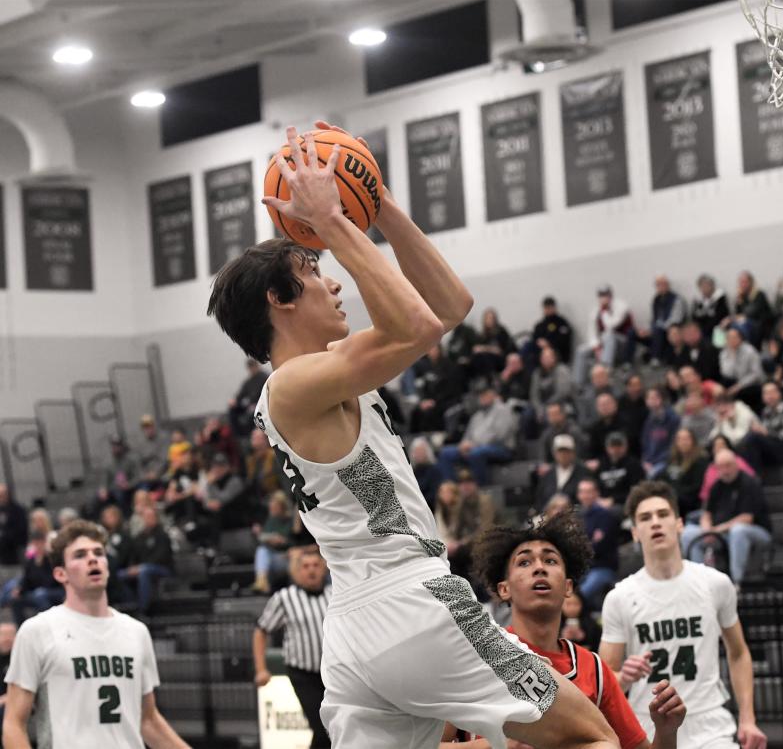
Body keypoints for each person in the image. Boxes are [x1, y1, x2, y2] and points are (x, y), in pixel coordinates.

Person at [211, 123, 619, 749]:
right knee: (593, 738)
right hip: (410, 599)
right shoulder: (289, 386)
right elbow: (417, 328)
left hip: (357, 629)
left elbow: (449, 306)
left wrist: (380, 206)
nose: (336, 281)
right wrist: (336, 222)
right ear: (279, 300)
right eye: (317, 273)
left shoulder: (327, 369)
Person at [441, 510, 686, 749]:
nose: (539, 568)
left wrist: (667, 731)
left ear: (568, 586)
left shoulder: (595, 670)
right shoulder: (475, 657)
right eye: (524, 562)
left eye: (550, 560)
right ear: (503, 589)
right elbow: (422, 743)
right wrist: (500, 745)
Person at [600, 481, 767, 749]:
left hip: (709, 724)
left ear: (678, 524)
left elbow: (738, 653)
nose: (655, 523)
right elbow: (606, 683)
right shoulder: (619, 598)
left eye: (663, 514)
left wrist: (748, 718)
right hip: (647, 725)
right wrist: (624, 678)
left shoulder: (715, 583)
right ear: (634, 533)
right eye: (645, 517)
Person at [2, 520, 188, 749]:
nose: (93, 559)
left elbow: (148, 720)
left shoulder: (136, 632)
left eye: (99, 553)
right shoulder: (37, 631)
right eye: (80, 555)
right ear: (61, 574)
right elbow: (13, 724)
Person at [254, 547, 333, 749]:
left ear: (324, 568)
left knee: (335, 728)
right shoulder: (284, 598)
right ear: (297, 571)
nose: (311, 570)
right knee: (324, 729)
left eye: (316, 565)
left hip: (333, 673)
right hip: (303, 673)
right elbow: (261, 630)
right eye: (306, 566)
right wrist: (261, 669)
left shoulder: (334, 593)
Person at [681, 450, 773, 586]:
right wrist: (707, 530)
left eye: (728, 465)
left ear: (736, 464)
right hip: (721, 534)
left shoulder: (749, 483)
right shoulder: (716, 486)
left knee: (739, 531)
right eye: (720, 467)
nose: (725, 470)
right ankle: (701, 584)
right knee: (689, 533)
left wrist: (716, 531)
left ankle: (737, 582)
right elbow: (706, 514)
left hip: (756, 532)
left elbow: (746, 518)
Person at [437, 382, 517, 485]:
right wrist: (463, 445)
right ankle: (453, 490)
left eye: (485, 394)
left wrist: (474, 445)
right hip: (475, 448)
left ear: (493, 394)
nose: (482, 397)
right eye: (480, 395)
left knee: (476, 453)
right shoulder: (477, 416)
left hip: (502, 448)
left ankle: (481, 490)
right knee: (445, 453)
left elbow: (500, 435)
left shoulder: (503, 409)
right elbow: (467, 435)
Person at [573, 285, 634, 386]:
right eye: (601, 295)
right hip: (605, 344)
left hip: (623, 344)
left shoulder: (621, 306)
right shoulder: (595, 311)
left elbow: (611, 325)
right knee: (581, 350)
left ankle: (606, 368)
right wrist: (596, 347)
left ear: (611, 295)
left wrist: (604, 311)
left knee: (608, 335)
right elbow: (592, 333)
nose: (604, 298)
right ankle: (578, 384)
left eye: (606, 295)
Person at [574, 479, 620, 608]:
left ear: (596, 493)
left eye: (589, 492)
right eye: (583, 492)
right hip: (583, 569)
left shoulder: (605, 515)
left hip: (603, 567)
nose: (586, 495)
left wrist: (582, 546)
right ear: (578, 495)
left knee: (580, 595)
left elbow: (598, 546)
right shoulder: (578, 516)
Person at [118, 506, 173, 613]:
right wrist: (132, 567)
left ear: (156, 518)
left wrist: (141, 567)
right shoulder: (139, 536)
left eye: (151, 516)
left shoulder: (162, 535)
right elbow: (134, 555)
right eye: (146, 516)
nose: (148, 519)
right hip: (143, 568)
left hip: (163, 568)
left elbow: (162, 556)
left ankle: (143, 609)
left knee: (144, 572)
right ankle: (131, 605)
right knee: (120, 575)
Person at [738, 382, 783, 471]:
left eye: (772, 392)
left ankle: (753, 479)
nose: (769, 396)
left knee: (753, 437)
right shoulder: (766, 412)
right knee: (746, 442)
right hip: (773, 451)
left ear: (779, 393)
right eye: (766, 393)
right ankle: (751, 477)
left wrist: (765, 432)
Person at [252, 491, 295, 593]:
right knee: (262, 550)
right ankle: (261, 581)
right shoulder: (271, 520)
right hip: (274, 556)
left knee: (264, 553)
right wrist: (260, 535)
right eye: (271, 506)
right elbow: (263, 538)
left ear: (282, 507)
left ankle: (263, 582)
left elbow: (297, 540)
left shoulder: (291, 520)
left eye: (275, 506)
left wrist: (284, 541)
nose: (271, 509)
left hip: (289, 557)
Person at [535, 435, 592, 510]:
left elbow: (588, 499)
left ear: (573, 453)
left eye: (566, 451)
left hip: (576, 516)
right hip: (549, 517)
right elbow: (539, 500)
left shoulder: (584, 472)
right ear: (554, 453)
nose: (563, 455)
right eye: (560, 452)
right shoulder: (547, 475)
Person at [665, 429, 710, 519]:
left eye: (686, 439)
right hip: (672, 497)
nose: (683, 442)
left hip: (690, 503)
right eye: (680, 439)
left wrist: (674, 493)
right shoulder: (673, 459)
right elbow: (666, 478)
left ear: (693, 441)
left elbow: (697, 488)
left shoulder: (701, 461)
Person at [718, 327, 764, 414]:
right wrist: (733, 356)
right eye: (729, 338)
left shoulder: (750, 351)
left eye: (734, 337)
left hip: (751, 383)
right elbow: (725, 372)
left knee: (740, 392)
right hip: (733, 382)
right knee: (721, 388)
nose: (732, 340)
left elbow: (756, 374)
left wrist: (739, 386)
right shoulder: (724, 353)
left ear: (740, 338)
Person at [593, 432, 645, 506]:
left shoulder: (634, 464)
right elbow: (596, 486)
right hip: (602, 502)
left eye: (619, 446)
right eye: (613, 446)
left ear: (626, 446)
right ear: (607, 448)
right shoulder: (601, 464)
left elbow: (637, 490)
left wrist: (614, 500)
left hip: (624, 503)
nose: (616, 449)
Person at [641, 387, 680, 479]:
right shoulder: (649, 421)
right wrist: (646, 461)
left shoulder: (673, 419)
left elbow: (673, 445)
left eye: (655, 397)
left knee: (653, 475)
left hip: (666, 461)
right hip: (649, 462)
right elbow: (645, 444)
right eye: (649, 398)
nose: (652, 400)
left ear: (662, 399)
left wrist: (656, 462)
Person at [529, 346, 575, 422]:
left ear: (554, 358)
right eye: (544, 357)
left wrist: (547, 406)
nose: (546, 360)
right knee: (528, 415)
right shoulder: (537, 373)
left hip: (559, 403)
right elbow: (534, 394)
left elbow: (562, 393)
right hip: (542, 405)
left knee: (552, 415)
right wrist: (539, 408)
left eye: (548, 357)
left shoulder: (561, 370)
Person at [729, 272, 774, 346]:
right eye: (741, 282)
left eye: (745, 282)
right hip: (747, 325)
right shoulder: (741, 297)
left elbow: (752, 313)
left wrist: (739, 315)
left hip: (760, 325)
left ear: (751, 283)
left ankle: (742, 346)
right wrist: (739, 302)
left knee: (740, 326)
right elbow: (738, 314)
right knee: (726, 326)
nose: (742, 285)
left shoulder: (759, 294)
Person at [229, 358, 271, 437]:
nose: (252, 369)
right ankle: (238, 435)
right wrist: (234, 400)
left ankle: (250, 435)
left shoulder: (265, 377)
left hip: (262, 405)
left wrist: (258, 404)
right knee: (233, 410)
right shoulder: (249, 381)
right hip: (250, 405)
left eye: (253, 367)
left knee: (250, 414)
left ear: (257, 366)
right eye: (250, 367)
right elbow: (240, 394)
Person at [472, 307, 516, 377]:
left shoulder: (501, 332)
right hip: (484, 360)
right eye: (488, 318)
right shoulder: (482, 335)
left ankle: (491, 380)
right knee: (478, 359)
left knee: (488, 358)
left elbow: (500, 350)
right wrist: (489, 349)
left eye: (492, 318)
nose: (490, 320)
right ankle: (482, 379)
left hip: (499, 360)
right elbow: (476, 349)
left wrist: (484, 348)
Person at [531, 296, 573, 363]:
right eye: (546, 308)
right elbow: (534, 339)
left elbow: (564, 340)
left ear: (554, 308)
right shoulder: (540, 325)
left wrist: (549, 344)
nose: (548, 310)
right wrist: (539, 343)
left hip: (557, 354)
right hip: (541, 354)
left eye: (550, 307)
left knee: (548, 354)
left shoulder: (562, 323)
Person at [690, 274, 730, 341]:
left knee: (719, 330)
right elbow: (694, 316)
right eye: (702, 286)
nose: (705, 288)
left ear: (712, 286)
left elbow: (722, 314)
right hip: (702, 329)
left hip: (718, 327)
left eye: (707, 285)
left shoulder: (720, 297)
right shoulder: (697, 300)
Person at [410, 437, 444, 510]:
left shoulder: (434, 470)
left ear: (427, 452)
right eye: (416, 451)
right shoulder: (411, 472)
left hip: (429, 507)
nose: (419, 454)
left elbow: (435, 493)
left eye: (421, 451)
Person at [0, 485, 27, 566]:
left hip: (15, 549)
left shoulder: (17, 510)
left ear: (7, 494)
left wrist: (5, 536)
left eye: (2, 495)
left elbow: (21, 529)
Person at [0, 622, 15, 727]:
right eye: (3, 634)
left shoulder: (20, 659)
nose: (7, 638)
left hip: (12, 702)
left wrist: (6, 698)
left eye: (10, 635)